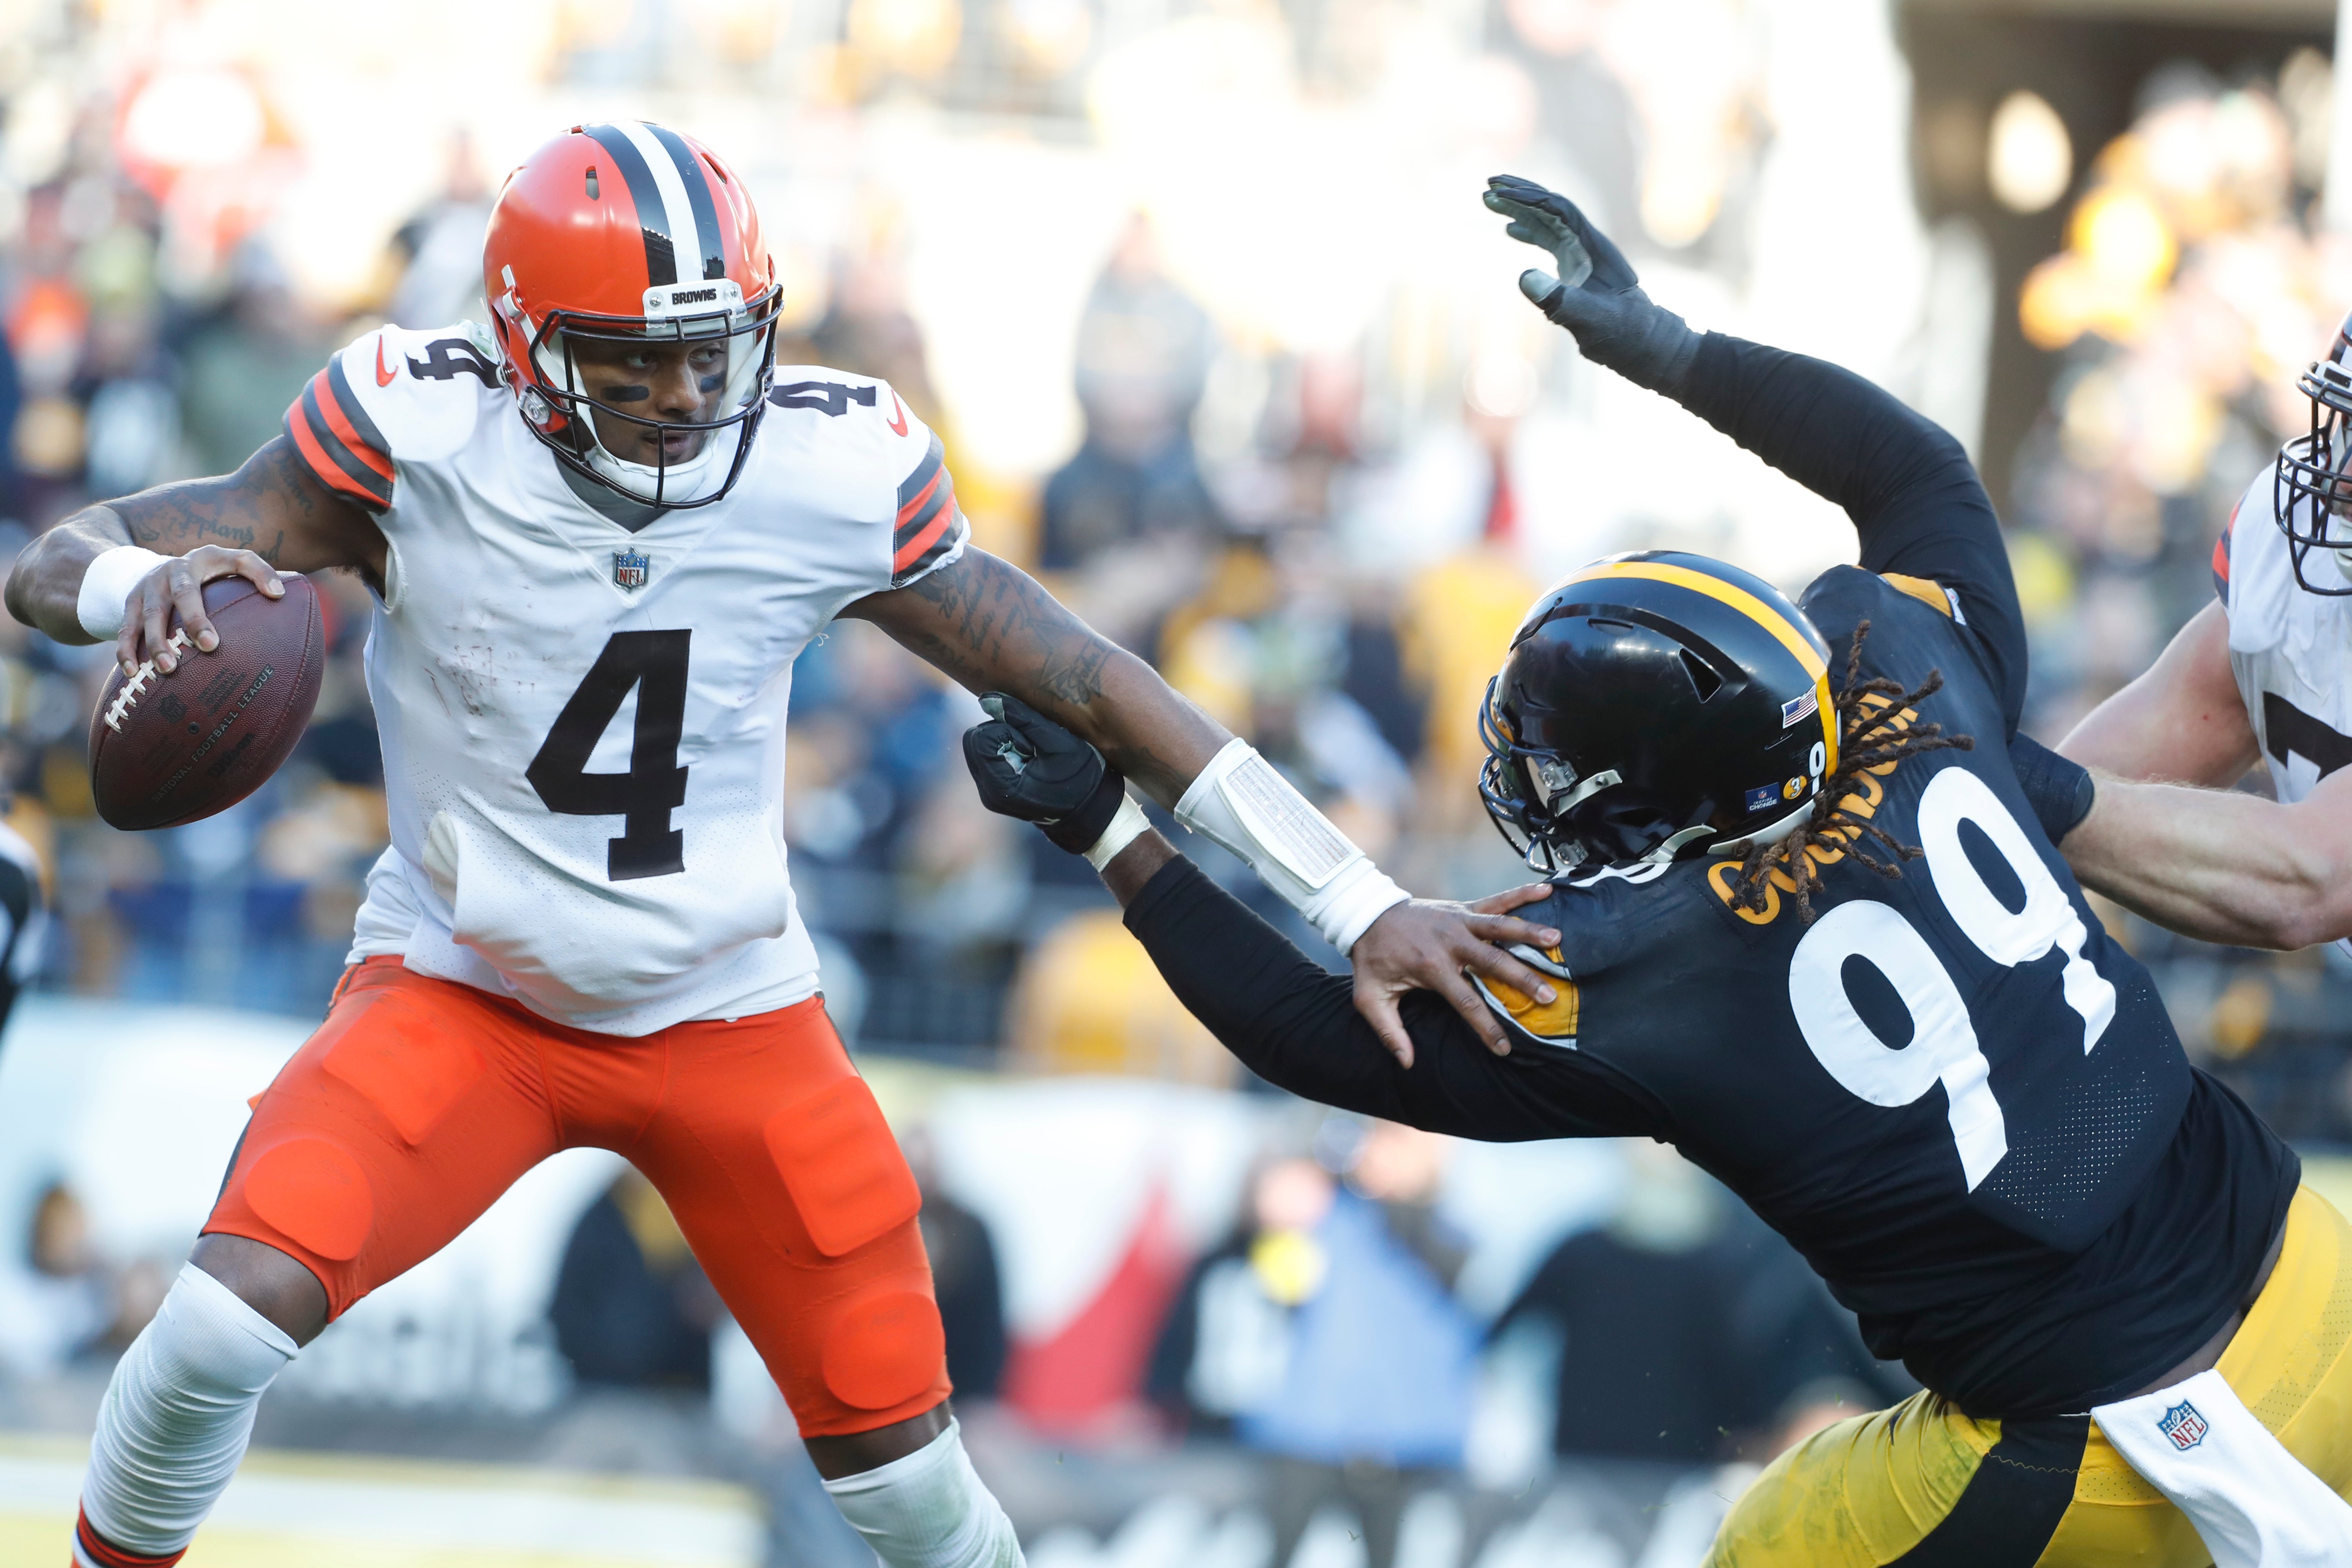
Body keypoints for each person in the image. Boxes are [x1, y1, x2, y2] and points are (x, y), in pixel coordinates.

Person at [3, 124, 1558, 1568]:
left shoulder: (828, 466)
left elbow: (1091, 676)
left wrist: (1358, 898)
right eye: (643, 362)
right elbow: (61, 556)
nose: (690, 397)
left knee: (910, 1487)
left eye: (714, 349)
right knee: (214, 1329)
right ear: (525, 348)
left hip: (728, 1012)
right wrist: (122, 593)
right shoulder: (412, 432)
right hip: (462, 993)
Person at [961, 175, 2352, 1564]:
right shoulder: (1911, 668)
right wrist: (1673, 354)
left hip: (2099, 1437)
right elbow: (1914, 470)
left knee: (1755, 1546)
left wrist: (1109, 831)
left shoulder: (1651, 975)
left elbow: (1314, 1035)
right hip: (2311, 1281)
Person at [2042, 307, 2352, 954]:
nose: (2341, 480)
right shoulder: (2292, 554)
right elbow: (2109, 763)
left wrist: (2040, 792)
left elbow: (2307, 883)